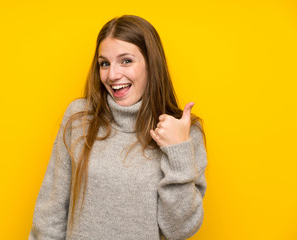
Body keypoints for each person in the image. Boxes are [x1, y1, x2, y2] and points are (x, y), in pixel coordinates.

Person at [29, 15, 207, 240]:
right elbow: (49, 214)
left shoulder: (185, 133)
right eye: (104, 63)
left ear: (152, 64)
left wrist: (178, 150)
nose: (112, 75)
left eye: (126, 61)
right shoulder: (80, 118)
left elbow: (179, 229)